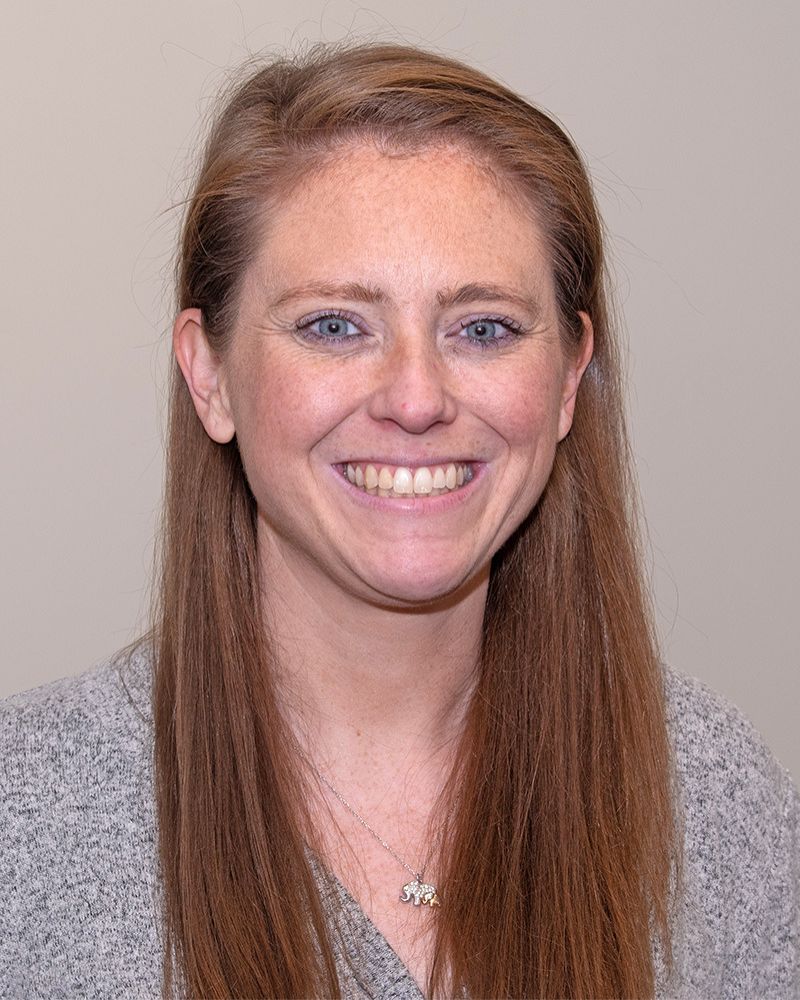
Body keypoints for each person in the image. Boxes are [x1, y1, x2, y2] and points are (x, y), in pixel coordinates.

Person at [1, 42, 797, 1000]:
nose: (416, 399)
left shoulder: (711, 798)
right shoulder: (28, 821)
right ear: (209, 376)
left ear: (568, 379)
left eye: (484, 329)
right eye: (335, 325)